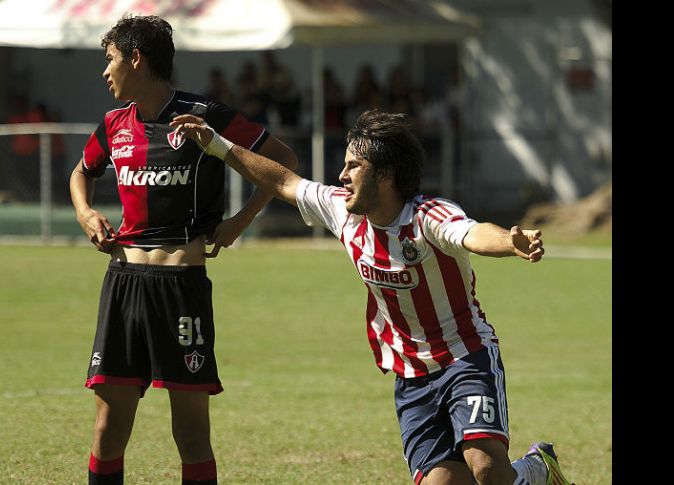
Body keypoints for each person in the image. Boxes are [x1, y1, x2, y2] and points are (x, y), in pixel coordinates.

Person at [169, 109, 574, 485]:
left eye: (354, 166)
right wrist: (215, 144)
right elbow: (282, 181)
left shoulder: (427, 217)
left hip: (465, 356)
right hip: (410, 374)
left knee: (486, 468)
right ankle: (536, 471)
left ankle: (536, 468)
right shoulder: (342, 212)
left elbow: (471, 233)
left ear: (385, 174)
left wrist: (509, 242)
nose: (341, 175)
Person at [69, 15, 298, 485]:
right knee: (108, 430)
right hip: (123, 285)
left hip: (181, 289)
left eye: (110, 59)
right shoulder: (113, 124)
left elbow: (283, 160)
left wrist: (240, 221)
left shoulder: (205, 115)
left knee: (191, 435)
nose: (105, 71)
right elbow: (81, 173)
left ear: (136, 59)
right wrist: (85, 213)